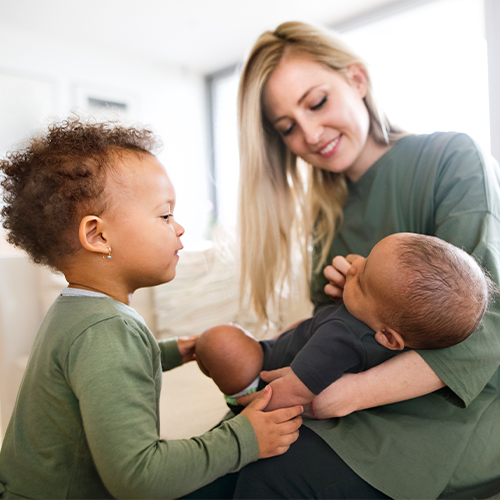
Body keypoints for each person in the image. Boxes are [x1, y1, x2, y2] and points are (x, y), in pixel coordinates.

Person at [229, 20, 500, 499]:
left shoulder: (451, 157)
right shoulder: (324, 220)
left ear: (356, 80)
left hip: (451, 414)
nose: (310, 134)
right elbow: (326, 335)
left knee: (268, 475)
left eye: (317, 102)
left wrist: (345, 395)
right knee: (213, 461)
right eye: (288, 128)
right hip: (342, 397)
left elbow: (484, 326)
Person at [0, 117, 303, 499]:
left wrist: (179, 350)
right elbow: (139, 477)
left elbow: (110, 369)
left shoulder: (77, 312)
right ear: (98, 235)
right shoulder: (105, 331)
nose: (179, 229)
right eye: (165, 215)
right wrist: (246, 439)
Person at [196, 233, 496, 413]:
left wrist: (250, 408)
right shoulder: (377, 325)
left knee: (219, 340)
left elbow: (297, 393)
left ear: (389, 337)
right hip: (281, 350)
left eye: (361, 280)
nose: (353, 267)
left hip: (262, 376)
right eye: (366, 260)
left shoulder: (340, 340)